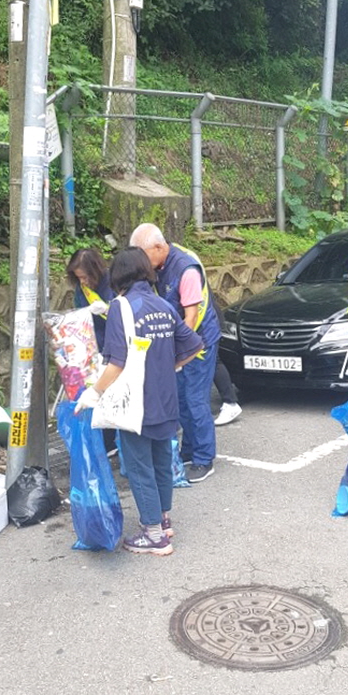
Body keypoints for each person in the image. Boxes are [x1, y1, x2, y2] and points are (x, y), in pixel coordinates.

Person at [75, 247, 202, 555]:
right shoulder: (162, 304)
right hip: (166, 396)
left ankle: (154, 535)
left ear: (118, 274)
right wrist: (165, 367)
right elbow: (193, 345)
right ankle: (163, 518)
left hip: (137, 400)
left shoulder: (122, 306)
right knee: (161, 460)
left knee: (138, 464)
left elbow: (117, 362)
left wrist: (93, 393)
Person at [129, 223, 221, 482]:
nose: (141, 264)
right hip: (177, 345)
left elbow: (191, 316)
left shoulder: (186, 269)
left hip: (198, 344)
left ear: (158, 247)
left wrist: (179, 351)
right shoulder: (159, 264)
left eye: (144, 256)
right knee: (180, 399)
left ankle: (204, 458)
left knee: (195, 400)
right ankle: (189, 450)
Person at [66, 247, 117, 455]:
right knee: (97, 395)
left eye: (85, 277)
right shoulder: (81, 289)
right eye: (78, 278)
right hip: (93, 345)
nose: (83, 282)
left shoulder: (112, 282)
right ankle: (107, 442)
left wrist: (107, 308)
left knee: (112, 394)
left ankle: (116, 440)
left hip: (113, 345)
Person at [212, 300, 241, 425]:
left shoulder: (189, 280)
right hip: (209, 319)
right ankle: (230, 401)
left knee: (214, 361)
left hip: (207, 322)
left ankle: (230, 402)